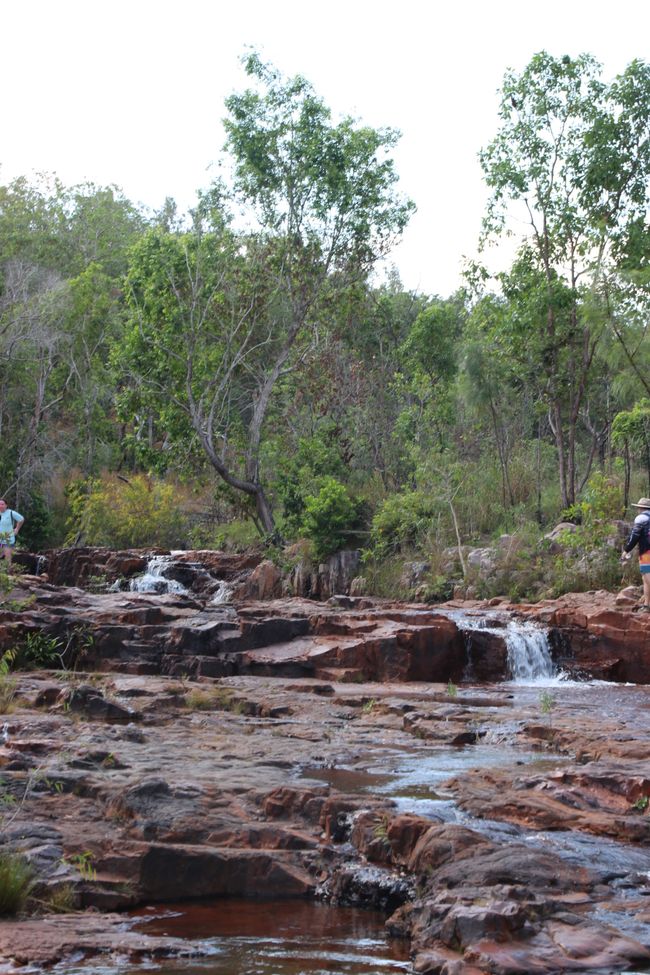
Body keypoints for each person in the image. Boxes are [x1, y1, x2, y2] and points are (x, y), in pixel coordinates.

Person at [622, 497, 650, 612]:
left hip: (646, 552)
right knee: (645, 579)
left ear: (640, 508)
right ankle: (646, 605)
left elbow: (635, 537)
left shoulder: (641, 518)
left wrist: (626, 550)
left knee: (647, 577)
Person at [0, 499, 24, 572]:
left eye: (2, 504)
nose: (0, 506)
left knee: (7, 559)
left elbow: (21, 519)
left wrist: (17, 529)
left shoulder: (10, 513)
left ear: (6, 505)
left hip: (8, 539)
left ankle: (8, 577)